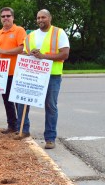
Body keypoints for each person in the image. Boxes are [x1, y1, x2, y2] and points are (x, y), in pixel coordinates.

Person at [14, 9, 70, 149]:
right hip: (32, 74)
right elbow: (24, 53)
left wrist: (43, 56)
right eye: (38, 18)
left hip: (52, 75)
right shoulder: (31, 35)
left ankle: (50, 138)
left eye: (43, 17)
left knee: (50, 106)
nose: (40, 20)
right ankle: (23, 130)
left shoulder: (59, 33)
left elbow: (64, 54)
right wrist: (29, 54)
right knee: (23, 102)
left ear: (50, 18)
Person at [0, 7, 28, 134]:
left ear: (13, 17)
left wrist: (3, 51)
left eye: (8, 16)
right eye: (3, 16)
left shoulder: (19, 30)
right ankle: (11, 126)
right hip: (2, 73)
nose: (5, 18)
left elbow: (21, 49)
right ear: (0, 19)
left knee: (18, 102)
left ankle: (21, 127)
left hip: (17, 72)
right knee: (7, 101)